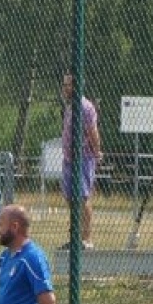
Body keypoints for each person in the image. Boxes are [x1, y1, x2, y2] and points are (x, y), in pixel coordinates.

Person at [59, 73, 101, 248]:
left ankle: (86, 239)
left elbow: (93, 131)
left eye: (69, 85)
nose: (65, 88)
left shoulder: (86, 107)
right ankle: (75, 237)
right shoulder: (70, 107)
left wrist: (97, 151)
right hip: (69, 159)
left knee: (83, 198)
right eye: (65, 84)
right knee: (70, 197)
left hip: (83, 158)